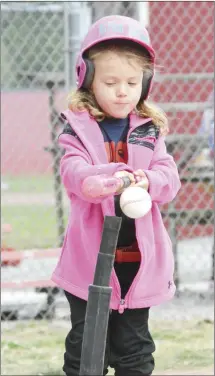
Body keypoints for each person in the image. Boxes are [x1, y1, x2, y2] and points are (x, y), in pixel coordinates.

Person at [51, 15, 181, 376]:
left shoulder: (150, 131)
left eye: (132, 82)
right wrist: (117, 177)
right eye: (111, 82)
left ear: (146, 82)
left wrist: (148, 180)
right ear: (88, 80)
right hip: (90, 264)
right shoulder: (77, 131)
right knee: (86, 351)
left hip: (137, 263)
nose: (123, 91)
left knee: (135, 352)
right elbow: (77, 178)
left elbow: (169, 179)